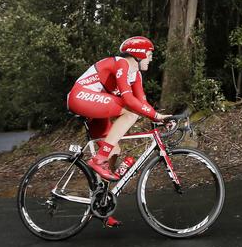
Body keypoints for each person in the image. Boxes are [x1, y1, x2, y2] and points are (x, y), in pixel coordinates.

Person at [67, 35, 171, 189]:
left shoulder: (136, 75)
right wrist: (156, 116)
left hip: (96, 104)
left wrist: (160, 118)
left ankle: (100, 201)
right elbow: (129, 100)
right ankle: (98, 160)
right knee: (130, 113)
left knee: (113, 150)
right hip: (80, 96)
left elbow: (142, 103)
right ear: (139, 54)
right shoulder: (121, 63)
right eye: (149, 55)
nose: (151, 59)